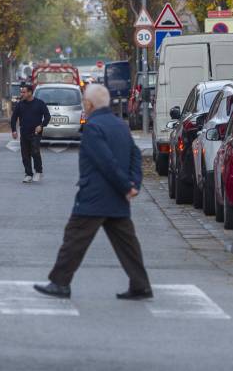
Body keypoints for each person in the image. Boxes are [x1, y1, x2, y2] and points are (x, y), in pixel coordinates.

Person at [34, 82, 153, 301]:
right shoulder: (120, 124)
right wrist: (134, 183)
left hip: (95, 197)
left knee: (74, 238)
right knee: (127, 245)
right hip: (117, 198)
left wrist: (126, 186)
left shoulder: (92, 127)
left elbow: (105, 162)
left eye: (84, 102)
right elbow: (136, 156)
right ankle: (141, 285)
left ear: (88, 104)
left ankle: (60, 282)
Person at [10, 82, 50, 183]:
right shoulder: (20, 105)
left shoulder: (39, 103)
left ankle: (38, 171)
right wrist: (14, 130)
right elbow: (14, 118)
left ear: (30, 93)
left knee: (35, 152)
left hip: (36, 133)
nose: (22, 94)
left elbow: (48, 116)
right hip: (24, 132)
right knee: (25, 154)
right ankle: (28, 174)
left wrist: (41, 126)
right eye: (21, 92)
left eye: (24, 92)